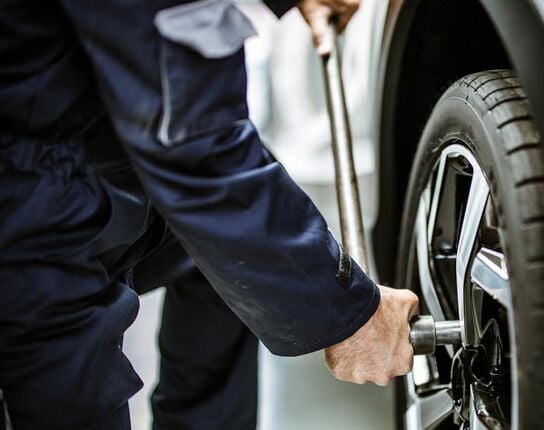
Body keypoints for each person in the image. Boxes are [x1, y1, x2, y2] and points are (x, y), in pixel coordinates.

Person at [0, 0, 419, 428]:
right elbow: (194, 146)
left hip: (60, 158)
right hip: (26, 215)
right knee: (74, 387)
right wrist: (350, 312)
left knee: (234, 261)